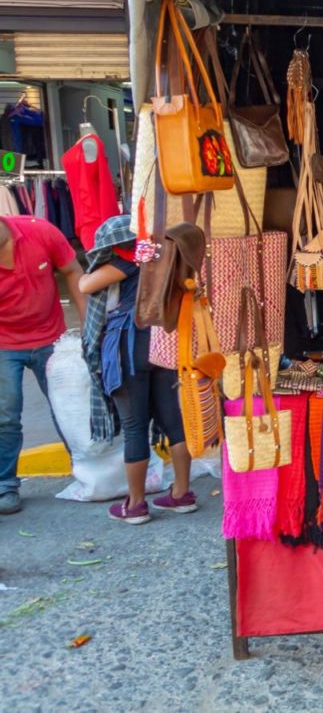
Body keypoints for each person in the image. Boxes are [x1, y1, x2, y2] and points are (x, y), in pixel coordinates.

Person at [78, 216, 193, 524]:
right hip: (163, 340)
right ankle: (181, 494)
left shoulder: (127, 260)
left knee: (134, 426)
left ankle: (136, 504)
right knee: (174, 420)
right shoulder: (163, 256)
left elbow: (84, 284)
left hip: (128, 345)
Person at [0, 215, 85, 514]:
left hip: (51, 338)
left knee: (69, 409)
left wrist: (89, 326)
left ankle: (87, 470)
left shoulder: (38, 231)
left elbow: (73, 270)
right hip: (4, 344)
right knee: (5, 415)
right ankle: (5, 486)